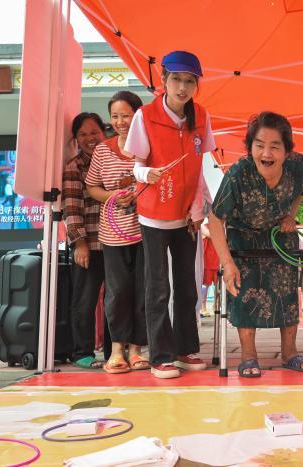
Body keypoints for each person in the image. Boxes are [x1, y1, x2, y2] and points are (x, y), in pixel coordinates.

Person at [126, 50, 212, 379]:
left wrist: (198, 208)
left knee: (188, 286)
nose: (182, 87)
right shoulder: (145, 117)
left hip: (187, 216)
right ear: (163, 80)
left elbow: (199, 167)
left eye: (190, 81)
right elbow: (135, 165)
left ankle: (185, 348)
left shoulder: (201, 116)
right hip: (153, 215)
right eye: (176, 79)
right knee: (158, 286)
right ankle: (159, 355)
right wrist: (143, 174)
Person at [208, 111, 303, 378]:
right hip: (243, 238)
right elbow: (215, 218)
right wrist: (227, 263)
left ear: (287, 151)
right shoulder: (237, 174)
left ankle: (289, 353)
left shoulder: (298, 166)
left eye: (275, 146)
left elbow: (301, 191)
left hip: (278, 236)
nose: (266, 153)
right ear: (250, 147)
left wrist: (291, 215)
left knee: (287, 289)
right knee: (245, 288)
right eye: (259, 145)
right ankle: (248, 356)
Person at [86, 91, 149, 374]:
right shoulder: (102, 150)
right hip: (112, 234)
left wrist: (140, 195)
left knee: (144, 290)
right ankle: (117, 351)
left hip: (147, 231)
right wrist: (112, 196)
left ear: (138, 115)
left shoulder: (149, 148)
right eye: (115, 116)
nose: (121, 121)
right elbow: (92, 187)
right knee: (117, 291)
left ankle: (137, 350)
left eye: (127, 115)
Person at [62, 112, 107, 369]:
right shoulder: (74, 167)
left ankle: (115, 351)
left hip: (115, 241)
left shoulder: (114, 159)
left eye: (94, 132)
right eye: (83, 134)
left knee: (116, 299)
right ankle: (82, 352)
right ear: (76, 139)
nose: (90, 138)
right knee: (85, 299)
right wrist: (79, 243)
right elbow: (71, 207)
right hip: (88, 244)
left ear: (104, 132)